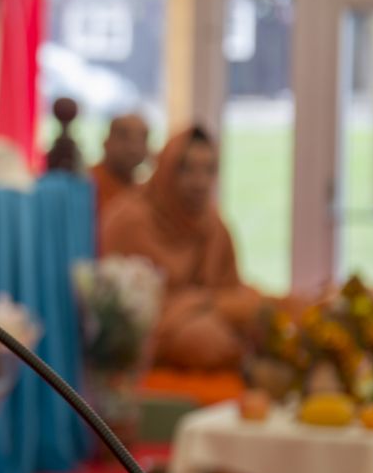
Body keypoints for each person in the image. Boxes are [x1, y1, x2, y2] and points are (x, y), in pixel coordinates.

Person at [101, 126, 262, 372]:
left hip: (208, 311)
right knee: (204, 340)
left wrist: (214, 304)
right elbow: (126, 313)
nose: (200, 183)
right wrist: (205, 304)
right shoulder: (130, 220)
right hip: (165, 328)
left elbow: (230, 290)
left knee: (266, 315)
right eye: (187, 169)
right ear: (165, 170)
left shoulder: (213, 223)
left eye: (209, 170)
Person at [91, 112, 150, 219]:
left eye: (142, 139)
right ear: (105, 142)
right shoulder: (87, 184)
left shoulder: (142, 193)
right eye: (124, 137)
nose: (134, 148)